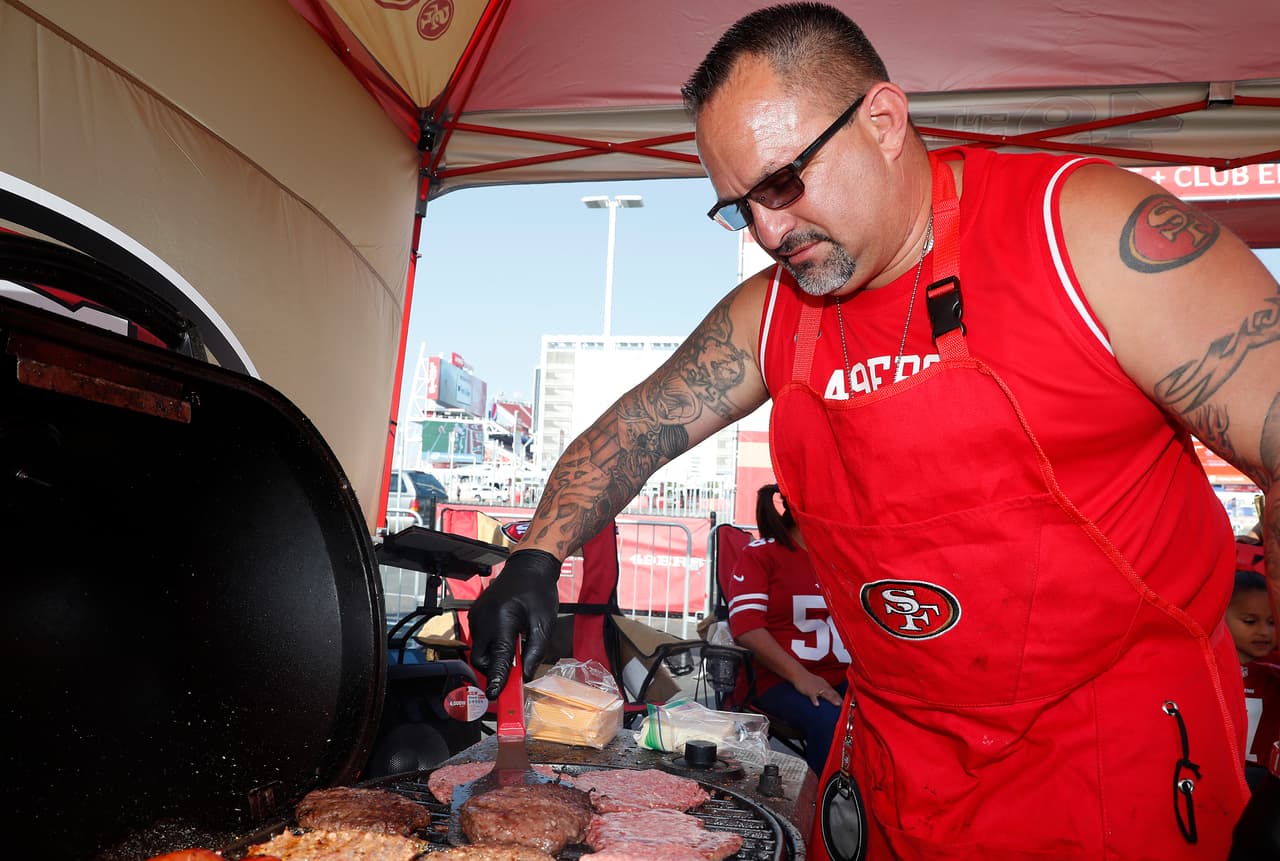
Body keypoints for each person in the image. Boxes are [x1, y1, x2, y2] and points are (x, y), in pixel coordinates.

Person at [468, 3, 1280, 857]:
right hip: (896, 772)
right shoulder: (773, 315)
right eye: (739, 208)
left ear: (884, 120)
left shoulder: (1086, 235)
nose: (769, 232)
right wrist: (537, 555)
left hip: (1114, 773)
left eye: (782, 184)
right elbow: (636, 426)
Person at [721, 484, 850, 774]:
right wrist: (801, 676)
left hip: (845, 675)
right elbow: (747, 627)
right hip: (778, 679)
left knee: (893, 715)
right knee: (830, 720)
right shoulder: (761, 554)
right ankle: (824, 810)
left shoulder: (850, 558)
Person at [1227, 569, 1280, 777]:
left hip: (1260, 781)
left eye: (1272, 622)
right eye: (1250, 621)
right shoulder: (1204, 668)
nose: (1264, 632)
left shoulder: (1275, 671)